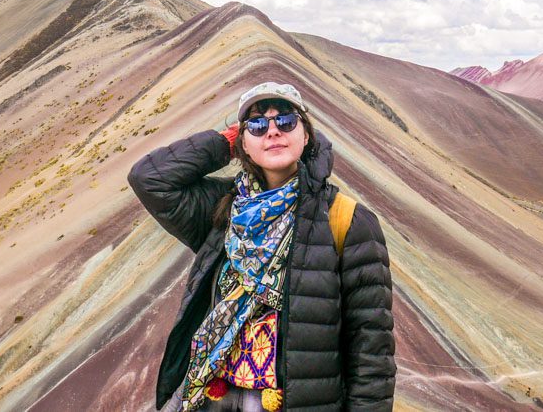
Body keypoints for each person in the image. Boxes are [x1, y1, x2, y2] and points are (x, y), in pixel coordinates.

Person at [128, 81, 396, 411]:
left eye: (286, 121)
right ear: (242, 142)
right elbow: (149, 180)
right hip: (210, 393)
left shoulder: (347, 221)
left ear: (307, 135)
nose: (272, 132)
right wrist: (224, 145)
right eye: (257, 125)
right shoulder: (224, 208)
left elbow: (371, 348)